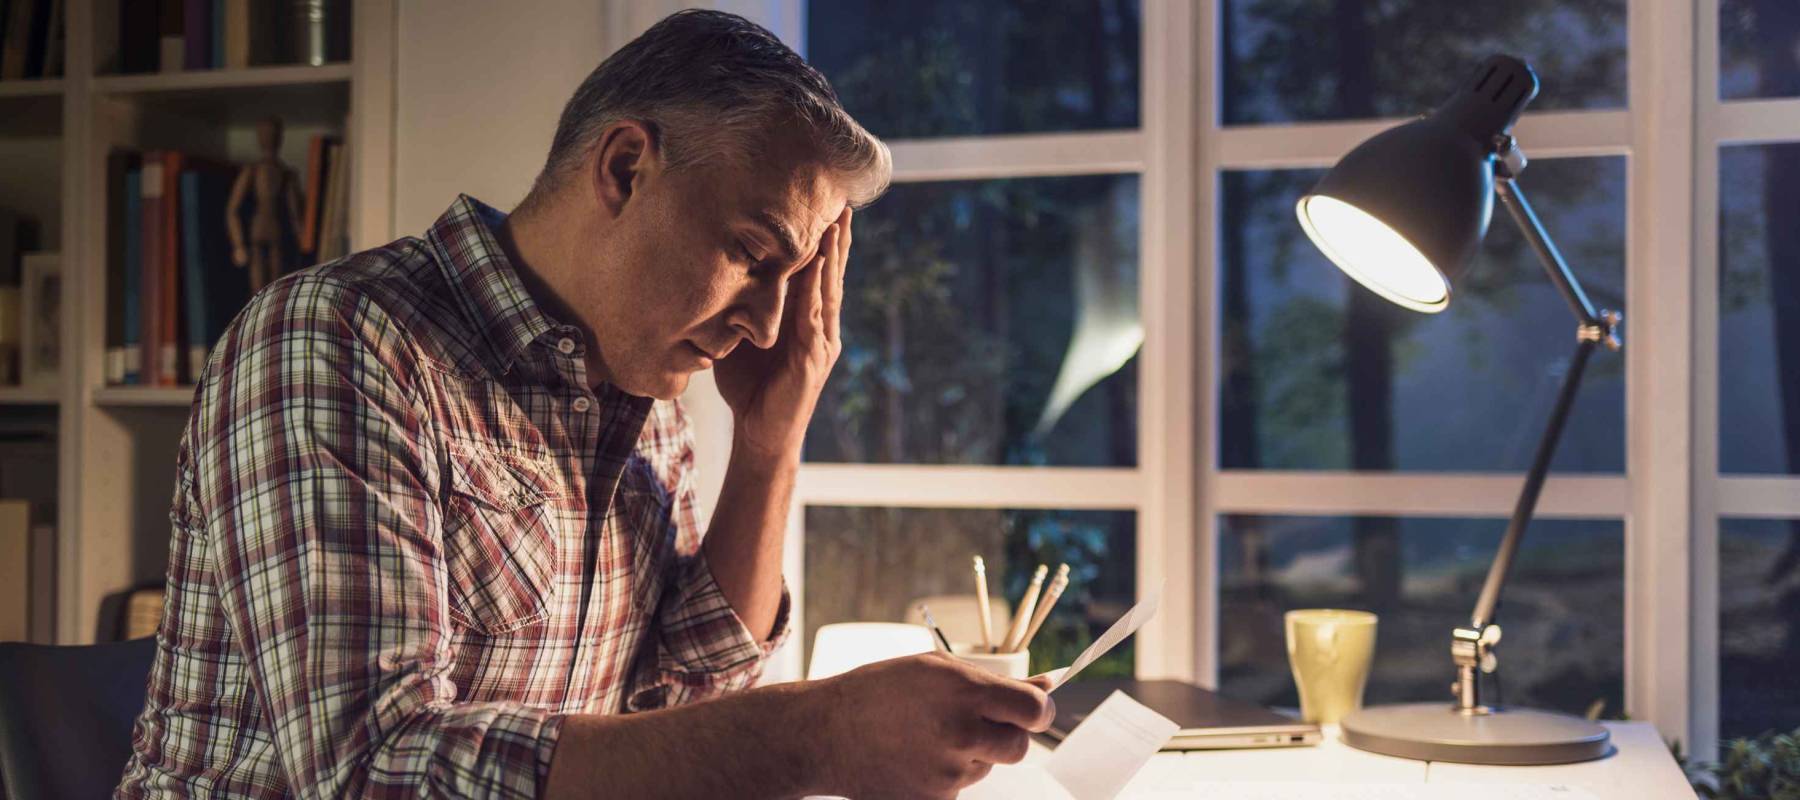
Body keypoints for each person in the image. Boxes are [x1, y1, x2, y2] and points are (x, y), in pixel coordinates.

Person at [116, 10, 1052, 800]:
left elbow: (681, 720)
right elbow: (372, 768)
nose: (771, 328)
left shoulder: (647, 392)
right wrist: (815, 733)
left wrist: (770, 444)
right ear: (624, 169)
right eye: (753, 254)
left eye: (796, 276)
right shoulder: (337, 343)